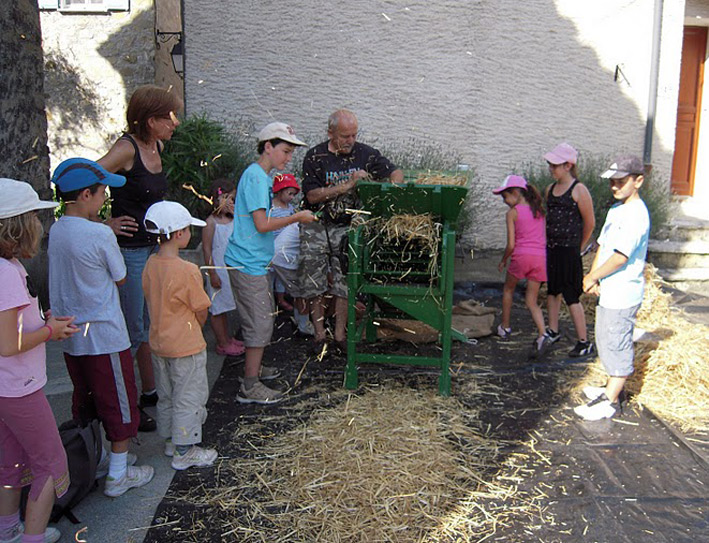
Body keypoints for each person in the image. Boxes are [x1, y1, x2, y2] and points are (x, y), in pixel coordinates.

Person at [48, 159, 155, 498]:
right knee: (119, 402)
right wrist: (106, 231)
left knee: (89, 398)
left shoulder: (57, 230)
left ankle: (102, 458)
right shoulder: (99, 234)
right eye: (102, 192)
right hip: (105, 334)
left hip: (71, 335)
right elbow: (121, 277)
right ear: (85, 195)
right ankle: (119, 475)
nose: (104, 198)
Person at [98, 85, 183, 429]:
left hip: (154, 249)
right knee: (135, 329)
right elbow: (81, 180)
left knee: (153, 321)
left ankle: (151, 391)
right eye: (170, 117)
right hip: (131, 252)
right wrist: (105, 223)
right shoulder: (125, 149)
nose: (175, 123)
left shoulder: (156, 144)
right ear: (151, 120)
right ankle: (130, 402)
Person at [0, 178, 79, 543]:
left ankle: (9, 530)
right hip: (20, 388)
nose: (38, 224)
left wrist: (43, 321)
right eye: (33, 216)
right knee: (50, 462)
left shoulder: (8, 268)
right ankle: (31, 537)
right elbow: (8, 342)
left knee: (11, 459)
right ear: (17, 226)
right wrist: (51, 333)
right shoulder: (6, 275)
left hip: (6, 388)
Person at [224, 122, 316, 404]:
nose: (288, 158)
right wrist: (296, 217)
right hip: (247, 262)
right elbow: (262, 225)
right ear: (268, 147)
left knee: (260, 320)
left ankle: (255, 367)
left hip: (254, 260)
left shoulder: (261, 177)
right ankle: (249, 387)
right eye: (285, 151)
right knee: (260, 324)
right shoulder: (255, 177)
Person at [300, 109, 404, 352]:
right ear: (330, 133)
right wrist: (347, 185)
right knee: (314, 283)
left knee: (344, 283)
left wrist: (388, 187)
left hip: (348, 228)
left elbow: (395, 172)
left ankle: (339, 336)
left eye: (354, 135)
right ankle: (318, 335)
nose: (351, 141)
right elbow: (312, 196)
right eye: (345, 136)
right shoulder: (314, 156)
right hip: (315, 226)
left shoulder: (365, 153)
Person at [141, 201, 218, 470]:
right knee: (189, 396)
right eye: (187, 229)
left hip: (159, 342)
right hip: (186, 344)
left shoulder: (151, 263)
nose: (189, 233)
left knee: (167, 394)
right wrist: (197, 328)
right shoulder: (187, 270)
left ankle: (172, 440)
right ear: (178, 234)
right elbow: (200, 309)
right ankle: (185, 450)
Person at [575, 156, 650, 421]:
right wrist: (593, 277)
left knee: (617, 342)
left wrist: (593, 276)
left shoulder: (637, 215)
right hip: (610, 289)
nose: (615, 186)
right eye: (612, 182)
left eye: (621, 181)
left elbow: (620, 256)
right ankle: (609, 387)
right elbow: (604, 245)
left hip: (624, 291)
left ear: (638, 180)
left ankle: (609, 401)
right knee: (606, 339)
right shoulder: (617, 211)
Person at [542, 143, 595, 357]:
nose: (551, 169)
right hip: (553, 249)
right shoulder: (550, 190)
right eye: (550, 165)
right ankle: (553, 330)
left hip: (569, 251)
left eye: (555, 165)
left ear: (568, 165)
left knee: (571, 295)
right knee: (552, 291)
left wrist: (578, 247)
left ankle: (584, 341)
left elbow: (589, 222)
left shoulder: (579, 190)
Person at [494, 175, 550, 356]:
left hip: (521, 257)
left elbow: (511, 245)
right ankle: (543, 333)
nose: (505, 202)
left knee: (508, 289)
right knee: (531, 300)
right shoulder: (539, 212)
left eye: (505, 197)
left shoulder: (513, 213)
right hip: (540, 259)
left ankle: (505, 326)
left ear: (516, 193)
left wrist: (503, 260)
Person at [202, 178, 245, 357]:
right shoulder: (211, 222)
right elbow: (206, 248)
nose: (229, 202)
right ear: (215, 199)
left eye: (232, 198)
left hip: (231, 270)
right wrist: (212, 273)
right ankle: (222, 343)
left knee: (226, 306)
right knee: (218, 308)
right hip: (218, 270)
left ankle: (228, 338)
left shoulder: (232, 219)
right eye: (225, 197)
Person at [270, 173, 300, 312]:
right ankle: (271, 301)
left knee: (282, 278)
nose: (292, 197)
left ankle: (281, 299)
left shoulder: (291, 208)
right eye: (290, 193)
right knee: (271, 276)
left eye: (294, 194)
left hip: (285, 248)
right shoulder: (270, 208)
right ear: (280, 191)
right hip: (271, 245)